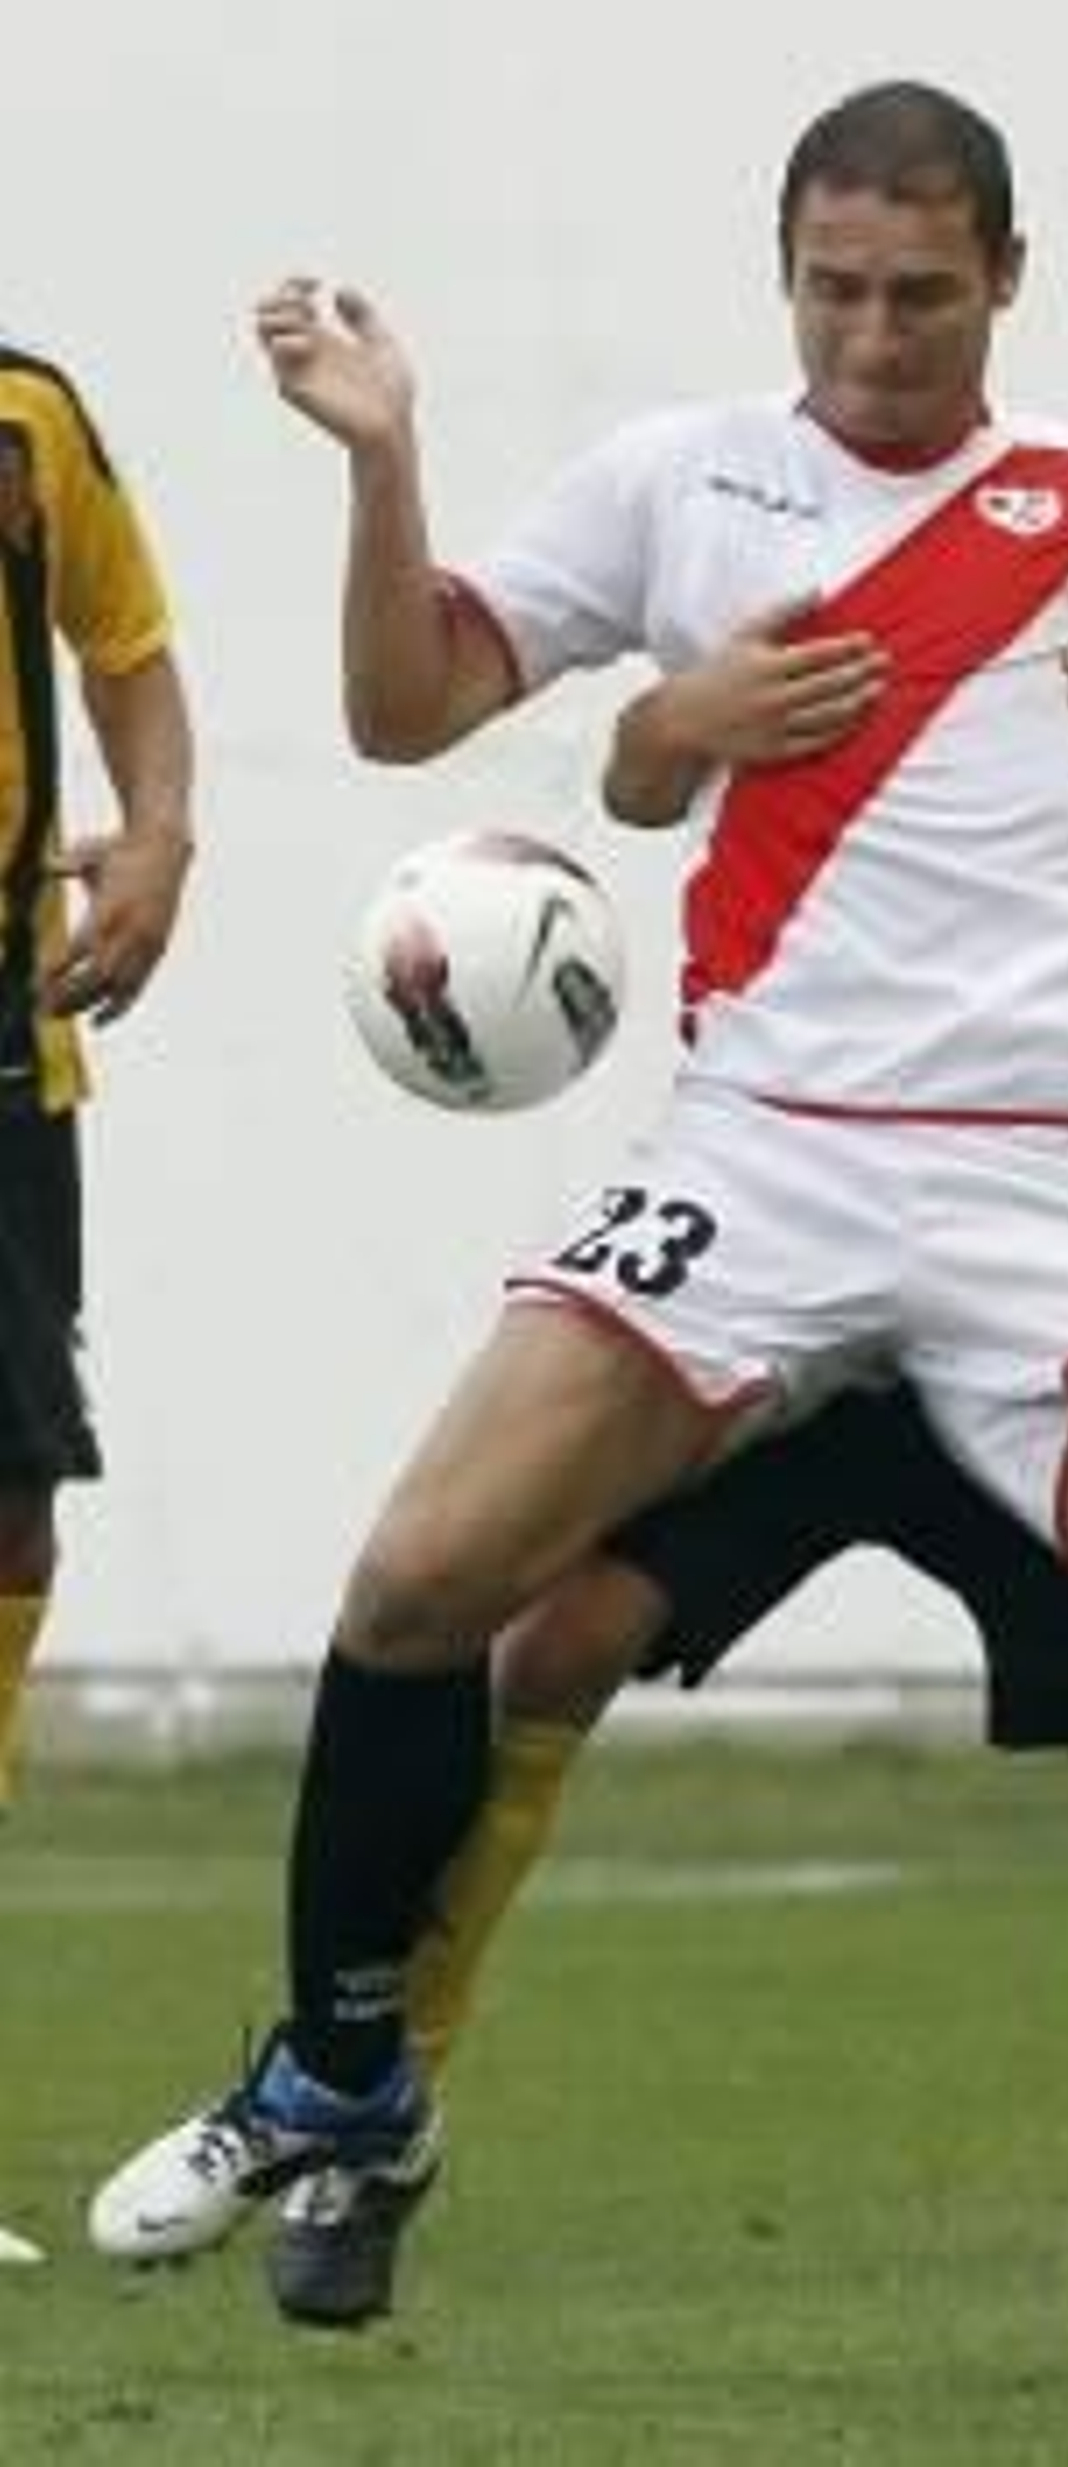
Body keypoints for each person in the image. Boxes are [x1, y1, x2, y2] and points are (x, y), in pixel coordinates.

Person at [92, 84, 1068, 2393]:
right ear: (784, 267)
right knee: (434, 1584)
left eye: (923, 292)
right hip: (774, 1155)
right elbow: (407, 700)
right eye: (833, 285)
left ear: (1004, 280)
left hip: (1051, 1187)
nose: (875, 333)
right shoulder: (678, 479)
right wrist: (384, 457)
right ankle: (342, 2075)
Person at [0, 341, 193, 2266]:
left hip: (1, 1065)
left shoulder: (28, 417)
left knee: (8, 1519)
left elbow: (127, 652)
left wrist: (158, 837)